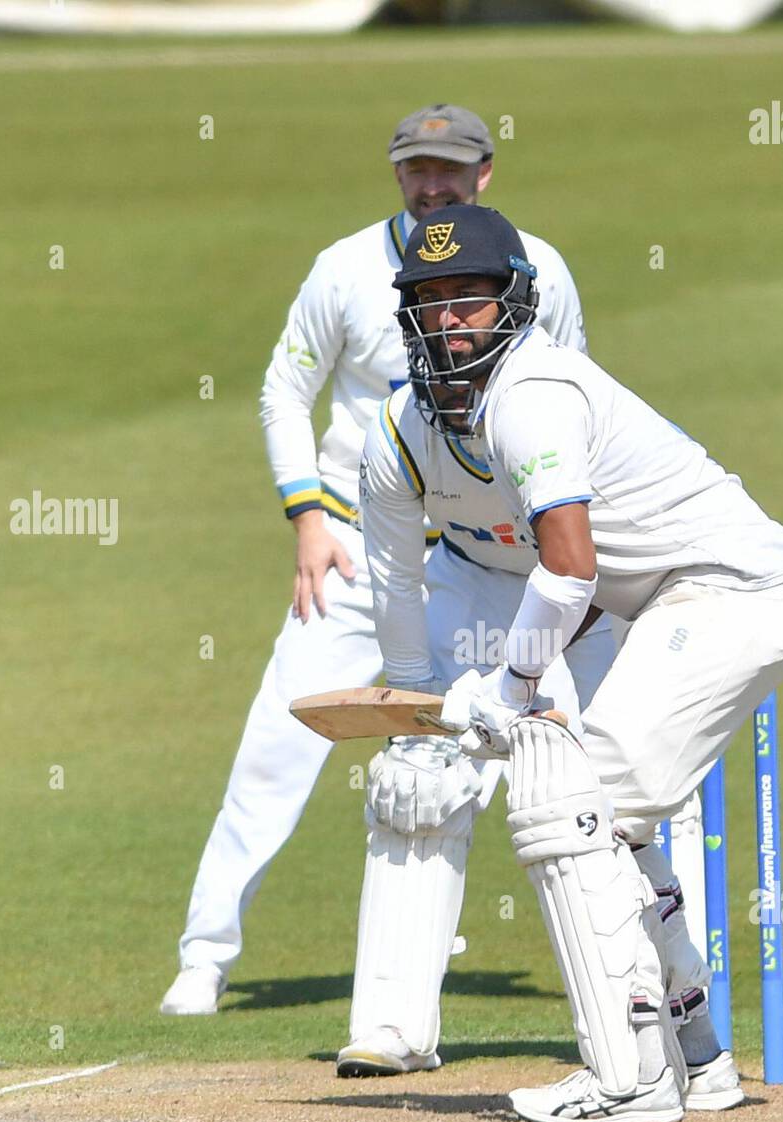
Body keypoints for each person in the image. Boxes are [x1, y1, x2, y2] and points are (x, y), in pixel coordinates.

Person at [359, 204, 783, 1122]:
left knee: (575, 800)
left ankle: (632, 1079)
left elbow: (569, 568)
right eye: (431, 300)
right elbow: (393, 583)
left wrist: (509, 686)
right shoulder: (400, 432)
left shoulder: (533, 394)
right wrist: (418, 710)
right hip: (667, 604)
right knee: (617, 818)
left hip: (734, 587)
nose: (450, 320)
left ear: (515, 305)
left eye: (470, 300)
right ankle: (696, 1056)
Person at [160, 106, 590, 1054]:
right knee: (279, 740)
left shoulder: (537, 267)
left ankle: (494, 973)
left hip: (489, 553)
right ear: (397, 175)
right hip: (359, 545)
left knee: (487, 752)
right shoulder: (345, 270)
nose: (430, 184)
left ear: (485, 172)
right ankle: (204, 957)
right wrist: (305, 514)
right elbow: (285, 387)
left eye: (448, 169)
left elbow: (571, 391)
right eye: (414, 170)